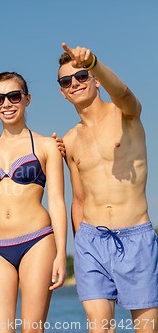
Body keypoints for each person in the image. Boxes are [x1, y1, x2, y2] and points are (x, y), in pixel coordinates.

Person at [58, 43, 158, 333]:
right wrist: (79, 244)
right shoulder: (71, 139)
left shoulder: (126, 114)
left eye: (81, 76)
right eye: (66, 81)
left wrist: (94, 63)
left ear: (95, 79)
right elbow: (78, 198)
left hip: (135, 236)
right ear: (62, 92)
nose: (74, 83)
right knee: (99, 328)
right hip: (92, 241)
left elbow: (124, 92)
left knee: (146, 329)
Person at [0, 72, 67, 333]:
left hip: (37, 241)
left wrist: (61, 253)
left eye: (13, 96)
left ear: (27, 99)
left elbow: (57, 201)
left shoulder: (46, 146)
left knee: (32, 329)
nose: (6, 103)